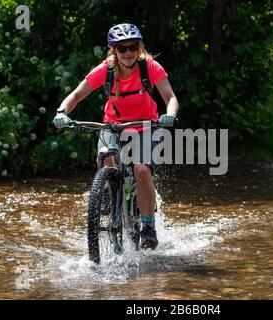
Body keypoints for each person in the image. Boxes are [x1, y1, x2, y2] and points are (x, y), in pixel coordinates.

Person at [53, 23, 179, 249]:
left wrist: (169, 115)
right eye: (122, 49)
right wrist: (62, 112)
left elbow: (170, 97)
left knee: (141, 169)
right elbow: (76, 95)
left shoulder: (150, 67)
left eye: (133, 47)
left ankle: (148, 227)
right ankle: (107, 190)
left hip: (146, 127)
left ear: (139, 48)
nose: (128, 53)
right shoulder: (105, 70)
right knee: (105, 156)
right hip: (113, 126)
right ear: (114, 51)